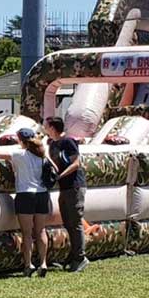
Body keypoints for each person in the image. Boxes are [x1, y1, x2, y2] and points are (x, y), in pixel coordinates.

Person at [0, 128, 50, 277]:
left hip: (25, 195)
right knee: (41, 230)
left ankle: (28, 264)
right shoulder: (41, 155)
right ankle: (43, 262)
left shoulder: (19, 154)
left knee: (27, 233)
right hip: (42, 194)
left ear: (20, 140)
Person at [44, 116, 89, 273]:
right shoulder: (52, 144)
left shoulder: (68, 142)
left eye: (46, 125)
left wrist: (60, 175)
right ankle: (73, 254)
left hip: (74, 186)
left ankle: (81, 257)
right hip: (64, 188)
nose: (44, 127)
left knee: (75, 221)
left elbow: (76, 163)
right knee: (68, 221)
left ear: (52, 127)